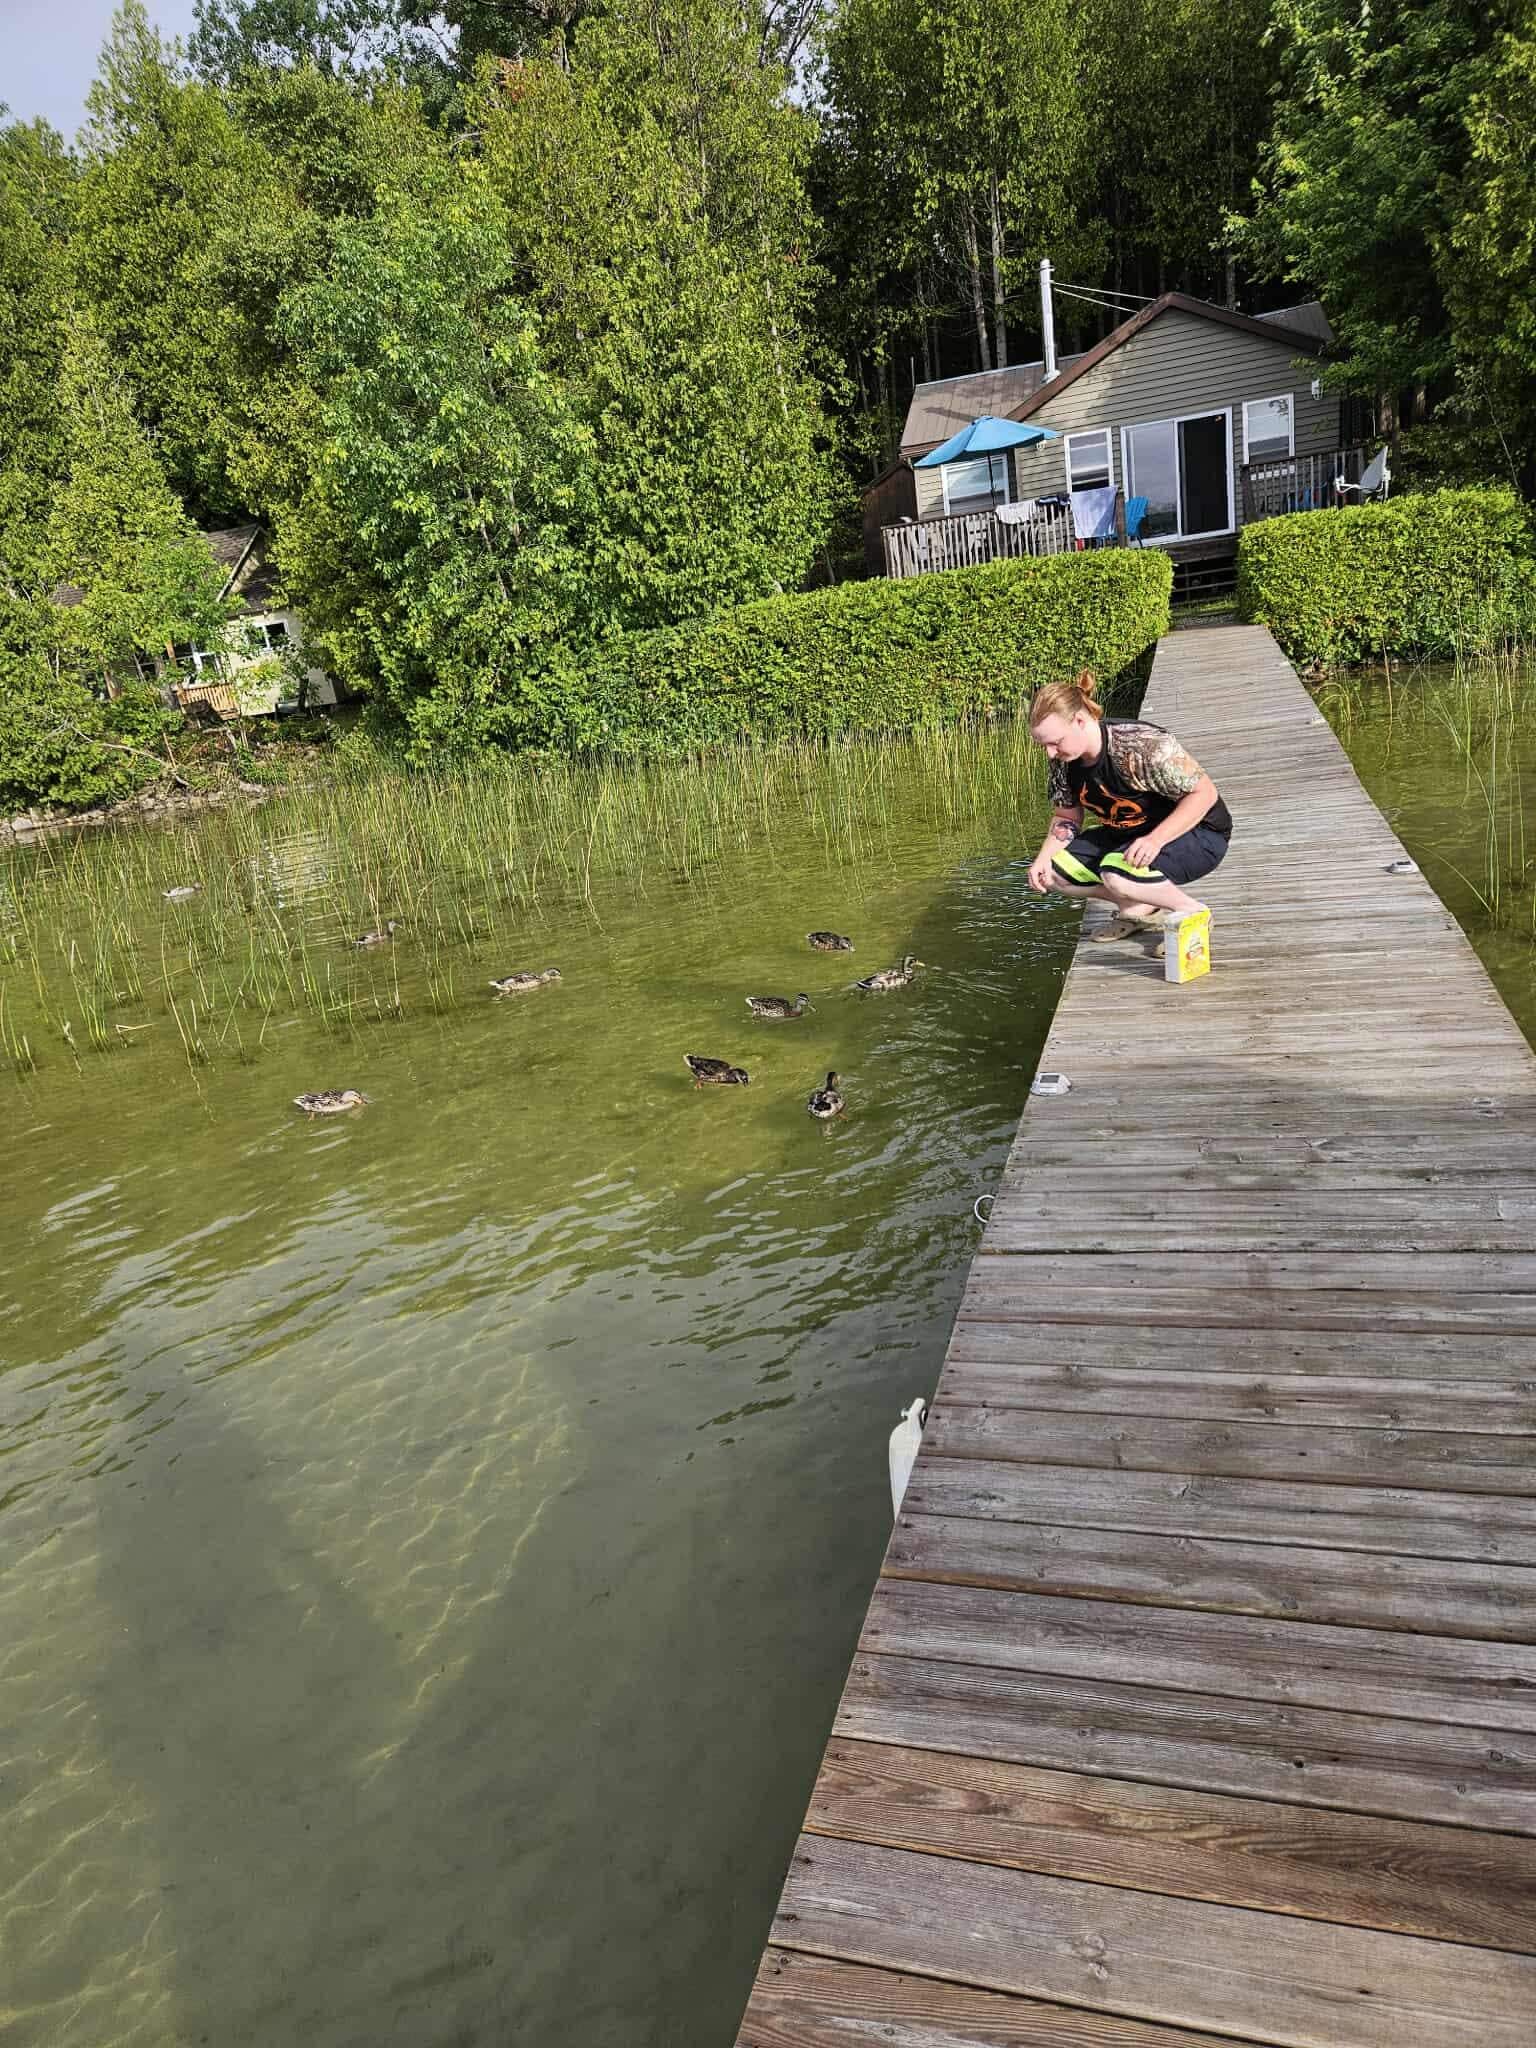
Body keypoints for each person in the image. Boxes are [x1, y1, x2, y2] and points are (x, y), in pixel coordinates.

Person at [1026, 671, 1231, 942]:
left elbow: (1204, 794)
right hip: (1128, 833)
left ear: (1079, 720)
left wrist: (1155, 840)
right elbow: (1067, 815)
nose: (1051, 753)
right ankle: (1137, 910)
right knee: (1052, 873)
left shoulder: (1140, 745)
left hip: (1201, 832)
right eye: (1044, 746)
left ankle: (1192, 913)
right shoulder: (1063, 762)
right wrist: (1042, 858)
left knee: (1116, 875)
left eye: (1055, 742)